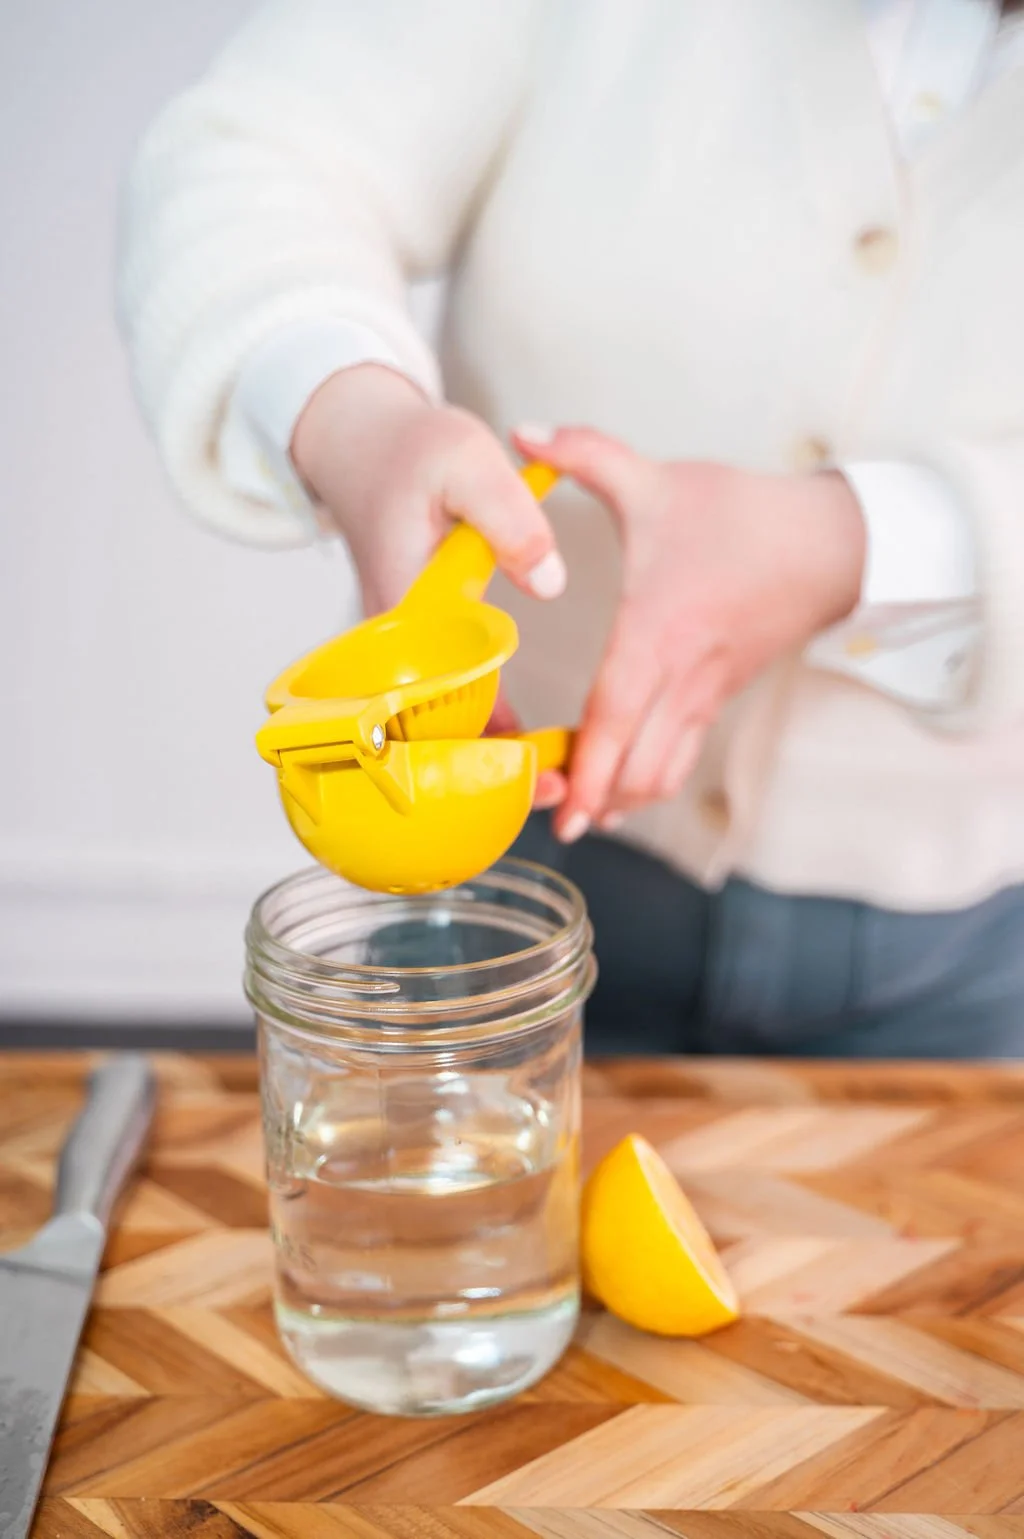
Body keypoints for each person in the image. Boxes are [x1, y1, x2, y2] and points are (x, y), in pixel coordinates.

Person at [119, 0, 1024, 1058]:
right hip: (492, 876)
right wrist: (352, 413)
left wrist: (859, 543)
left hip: (960, 953)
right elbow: (252, 156)